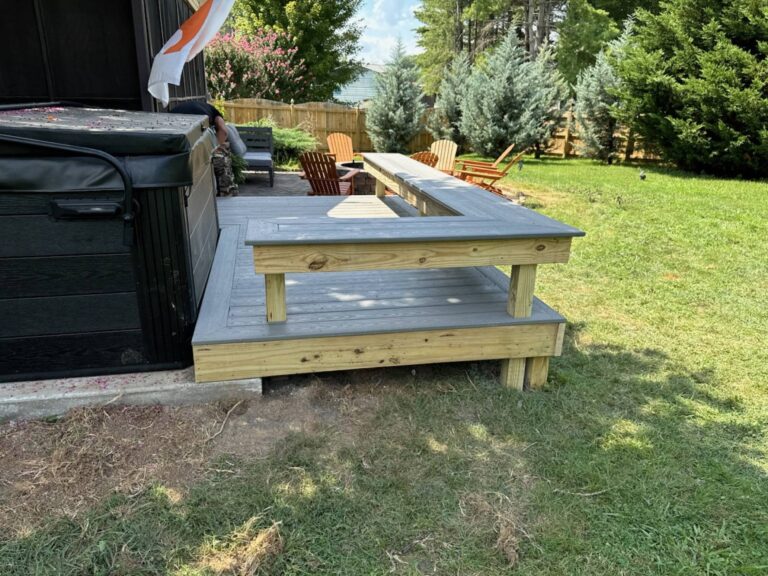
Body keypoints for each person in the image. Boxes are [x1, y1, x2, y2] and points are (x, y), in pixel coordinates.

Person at [171, 101, 238, 196]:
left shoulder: (203, 106)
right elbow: (224, 131)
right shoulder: (216, 115)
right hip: (197, 117)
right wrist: (215, 148)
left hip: (171, 118)